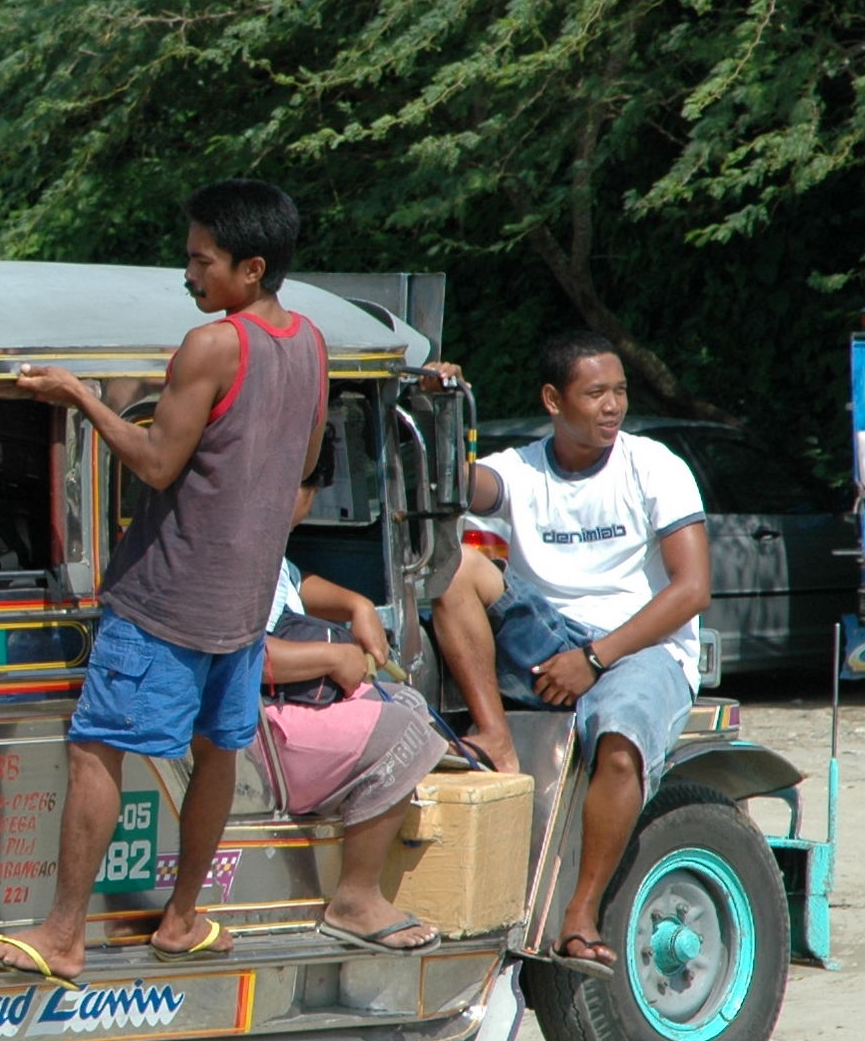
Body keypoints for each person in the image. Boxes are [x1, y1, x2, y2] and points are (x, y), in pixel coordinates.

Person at [0, 178, 325, 986]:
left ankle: (63, 934)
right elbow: (303, 465)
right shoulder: (310, 342)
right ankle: (183, 916)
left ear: (250, 266)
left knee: (97, 748)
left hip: (167, 595)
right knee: (218, 750)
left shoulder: (214, 346)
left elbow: (160, 464)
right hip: (242, 601)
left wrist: (81, 398)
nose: (189, 276)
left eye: (201, 261)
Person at [430, 331, 710, 978]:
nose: (612, 405)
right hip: (548, 637)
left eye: (619, 391)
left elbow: (692, 589)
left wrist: (596, 657)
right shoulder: (521, 470)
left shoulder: (655, 466)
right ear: (554, 400)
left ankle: (580, 914)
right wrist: (436, 406)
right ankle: (493, 732)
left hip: (639, 647)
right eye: (595, 393)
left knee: (618, 737)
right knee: (453, 568)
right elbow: (453, 483)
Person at [256, 442, 444, 954]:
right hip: (253, 729)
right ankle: (355, 899)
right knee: (405, 732)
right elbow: (239, 655)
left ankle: (359, 865)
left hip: (278, 713)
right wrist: (327, 658)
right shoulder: (232, 547)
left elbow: (293, 585)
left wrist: (356, 604)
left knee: (409, 705)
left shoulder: (260, 541)